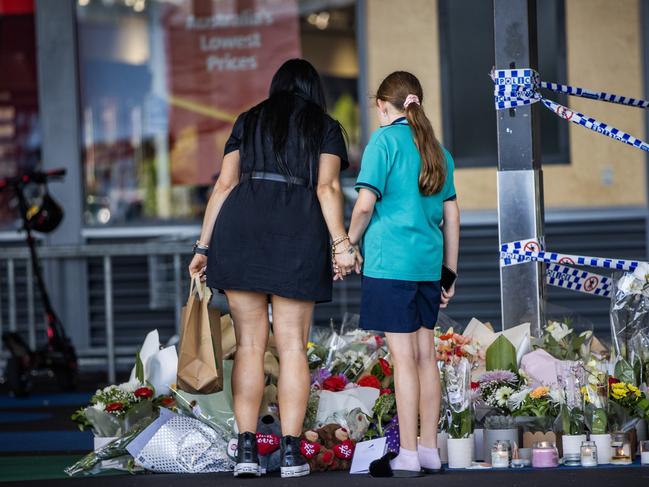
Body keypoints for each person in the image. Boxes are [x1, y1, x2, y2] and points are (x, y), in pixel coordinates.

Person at [188, 59, 357, 478]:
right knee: (292, 347)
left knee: (248, 345)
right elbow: (327, 187)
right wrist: (341, 245)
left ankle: (246, 451)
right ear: (313, 89)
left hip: (241, 229)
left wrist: (203, 245)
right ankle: (291, 453)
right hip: (296, 231)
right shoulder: (325, 126)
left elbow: (224, 185)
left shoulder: (249, 120)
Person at [348, 71, 460, 477]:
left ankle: (408, 454)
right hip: (428, 266)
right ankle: (429, 449)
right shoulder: (437, 150)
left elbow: (364, 205)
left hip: (390, 264)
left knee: (403, 360)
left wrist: (346, 244)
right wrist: (449, 272)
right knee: (426, 356)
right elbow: (451, 215)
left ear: (383, 105)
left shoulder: (382, 142)